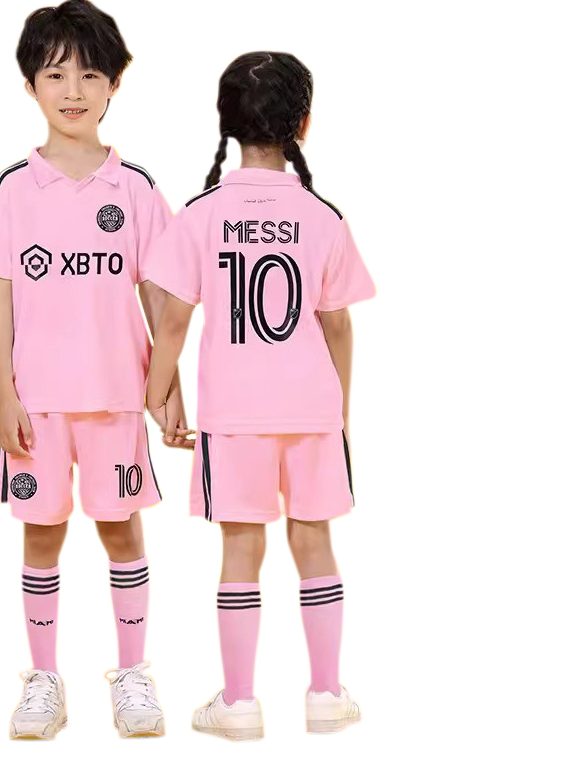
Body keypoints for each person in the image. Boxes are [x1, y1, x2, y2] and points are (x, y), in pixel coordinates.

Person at [0, 0, 190, 740]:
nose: (73, 90)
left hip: (117, 397)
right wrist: (3, 395)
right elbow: (1, 299)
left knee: (121, 531)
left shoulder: (136, 188)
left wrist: (167, 387)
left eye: (91, 73)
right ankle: (44, 680)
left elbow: (160, 296)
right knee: (41, 535)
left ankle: (133, 674)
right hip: (39, 405)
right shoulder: (12, 189)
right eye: (56, 74)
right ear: (30, 84)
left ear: (115, 83)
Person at [143, 51, 375, 740]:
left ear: (227, 123)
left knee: (241, 551)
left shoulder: (201, 214)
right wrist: (340, 413)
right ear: (303, 123)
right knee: (315, 541)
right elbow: (338, 325)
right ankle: (326, 693)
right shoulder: (323, 216)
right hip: (311, 411)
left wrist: (158, 396)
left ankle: (239, 703)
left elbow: (173, 321)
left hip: (234, 415)